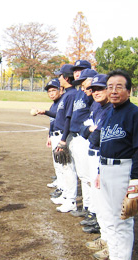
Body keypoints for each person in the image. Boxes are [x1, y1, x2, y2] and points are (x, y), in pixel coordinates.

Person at [90, 69, 138, 260]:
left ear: (129, 91)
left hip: (123, 170)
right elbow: (105, 144)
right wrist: (98, 171)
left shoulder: (135, 114)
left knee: (122, 221)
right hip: (105, 169)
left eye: (119, 87)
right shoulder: (110, 113)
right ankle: (114, 257)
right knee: (109, 217)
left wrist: (135, 180)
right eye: (110, 87)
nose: (113, 91)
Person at [79, 74, 112, 248]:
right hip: (92, 153)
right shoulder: (98, 107)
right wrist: (90, 130)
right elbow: (84, 130)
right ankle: (103, 235)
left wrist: (92, 130)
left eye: (101, 88)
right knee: (97, 195)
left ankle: (105, 237)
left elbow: (98, 136)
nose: (96, 92)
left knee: (103, 198)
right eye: (94, 89)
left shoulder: (109, 110)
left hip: (101, 156)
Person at [66, 67, 98, 219]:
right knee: (84, 176)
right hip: (80, 136)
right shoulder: (82, 94)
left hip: (87, 141)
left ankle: (92, 209)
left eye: (85, 83)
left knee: (89, 177)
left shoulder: (95, 100)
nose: (83, 87)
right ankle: (88, 207)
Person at [51, 64, 79, 213]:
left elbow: (68, 118)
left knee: (68, 168)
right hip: (61, 134)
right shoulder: (67, 94)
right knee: (63, 167)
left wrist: (63, 139)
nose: (58, 78)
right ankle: (66, 196)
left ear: (67, 78)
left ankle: (71, 200)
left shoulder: (72, 94)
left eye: (60, 75)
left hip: (65, 135)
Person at [31, 78, 63, 197]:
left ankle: (63, 189)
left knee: (62, 164)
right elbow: (53, 122)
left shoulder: (61, 103)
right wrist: (49, 135)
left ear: (60, 90)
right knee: (57, 163)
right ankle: (60, 183)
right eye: (49, 92)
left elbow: (60, 116)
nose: (51, 93)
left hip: (61, 136)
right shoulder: (53, 104)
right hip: (54, 135)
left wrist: (44, 112)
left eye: (54, 90)